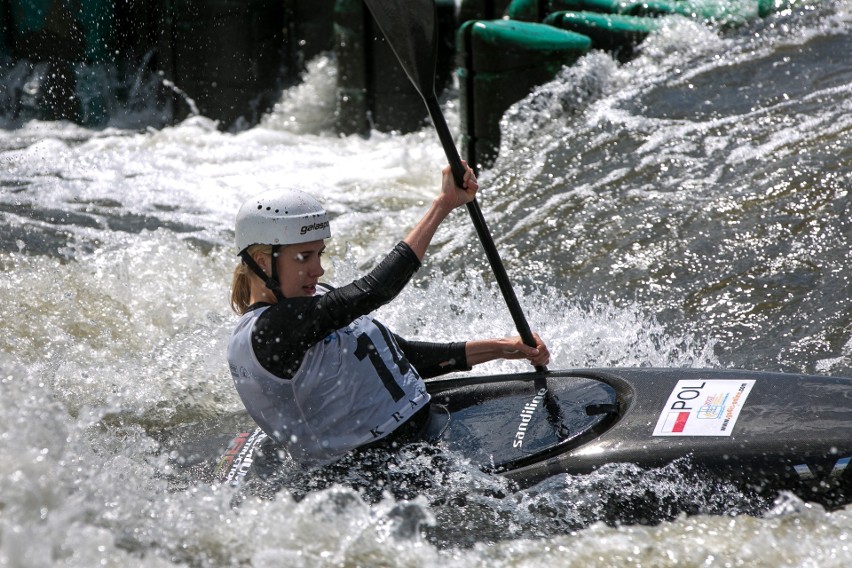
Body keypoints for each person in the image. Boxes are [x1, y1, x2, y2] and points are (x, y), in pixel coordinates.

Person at [227, 162, 550, 469]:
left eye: (319, 254)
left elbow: (401, 358)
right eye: (303, 257)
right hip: (368, 471)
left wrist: (502, 348)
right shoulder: (270, 331)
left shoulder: (314, 300)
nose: (318, 268)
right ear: (263, 261)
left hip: (420, 434)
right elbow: (376, 290)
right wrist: (444, 205)